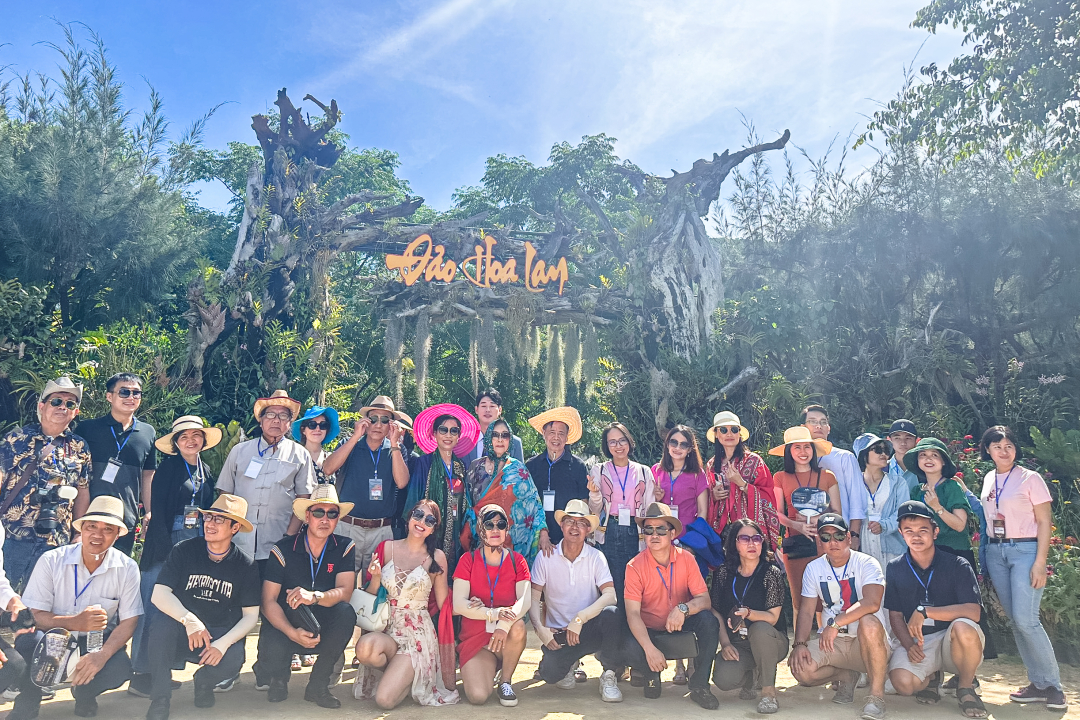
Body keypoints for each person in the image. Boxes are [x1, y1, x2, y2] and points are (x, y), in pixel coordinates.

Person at [9, 496, 142, 720]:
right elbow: (32, 616)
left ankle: (85, 693)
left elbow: (130, 620)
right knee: (27, 642)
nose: (98, 535)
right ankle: (29, 699)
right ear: (82, 529)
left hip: (93, 643)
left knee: (119, 667)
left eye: (107, 529)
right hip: (51, 637)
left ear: (117, 535)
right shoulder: (51, 560)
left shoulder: (127, 568)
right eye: (92, 527)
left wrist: (103, 654)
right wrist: (73, 622)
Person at [145, 494, 261, 720]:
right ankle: (160, 698)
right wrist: (189, 620)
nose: (209, 523)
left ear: (235, 527)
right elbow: (159, 594)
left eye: (219, 520)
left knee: (234, 657)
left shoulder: (245, 564)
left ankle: (204, 682)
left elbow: (250, 615)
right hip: (182, 629)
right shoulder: (184, 550)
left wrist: (223, 644)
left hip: (216, 632)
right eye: (208, 517)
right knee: (160, 628)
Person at [129, 416, 222, 698]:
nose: (191, 441)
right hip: (166, 545)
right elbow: (158, 513)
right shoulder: (168, 469)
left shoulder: (205, 470)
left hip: (195, 544)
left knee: (177, 609)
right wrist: (165, 552)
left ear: (203, 440)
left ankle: (163, 669)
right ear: (175, 443)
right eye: (184, 437)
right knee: (153, 605)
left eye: (196, 435)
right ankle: (141, 674)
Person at [978, 426, 1066, 711]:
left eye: (1009, 445)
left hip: (1025, 551)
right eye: (997, 446)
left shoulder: (1031, 478)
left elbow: (1044, 522)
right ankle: (1037, 683)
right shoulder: (990, 478)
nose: (1004, 451)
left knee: (1027, 619)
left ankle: (1053, 685)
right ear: (988, 450)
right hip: (996, 551)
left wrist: (1040, 562)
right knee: (1016, 620)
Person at [256, 484, 357, 707]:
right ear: (307, 516)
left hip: (323, 620)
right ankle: (278, 678)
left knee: (346, 612)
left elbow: (345, 592)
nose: (325, 519)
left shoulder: (344, 546)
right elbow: (268, 601)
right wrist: (291, 632)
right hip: (287, 621)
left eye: (332, 513)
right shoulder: (282, 549)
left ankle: (318, 686)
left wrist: (315, 596)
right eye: (319, 512)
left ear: (337, 519)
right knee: (271, 639)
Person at [885, 501, 987, 719]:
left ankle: (966, 687)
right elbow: (894, 615)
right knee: (903, 684)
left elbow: (973, 612)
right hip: (922, 641)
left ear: (935, 532)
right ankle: (932, 678)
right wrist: (908, 645)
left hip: (953, 639)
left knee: (964, 626)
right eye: (909, 531)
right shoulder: (895, 567)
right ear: (901, 534)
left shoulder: (957, 564)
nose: (916, 536)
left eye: (923, 530)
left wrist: (925, 611)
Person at [355, 499, 460, 708]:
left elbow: (443, 603)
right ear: (409, 518)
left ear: (433, 529)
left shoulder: (436, 558)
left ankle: (409, 673)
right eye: (418, 515)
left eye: (429, 520)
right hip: (385, 626)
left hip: (417, 635)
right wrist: (375, 578)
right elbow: (369, 595)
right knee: (364, 649)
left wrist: (477, 604)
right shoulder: (386, 548)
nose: (422, 522)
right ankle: (398, 672)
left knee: (384, 701)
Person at [788, 513, 889, 720]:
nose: (832, 542)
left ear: (849, 538)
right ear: (819, 541)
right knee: (802, 670)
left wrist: (835, 623)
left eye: (838, 536)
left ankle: (876, 697)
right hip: (832, 643)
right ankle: (846, 675)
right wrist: (799, 643)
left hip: (865, 642)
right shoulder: (813, 568)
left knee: (869, 622)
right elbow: (806, 611)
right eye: (825, 537)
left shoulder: (867, 563)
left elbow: (872, 602)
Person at [621, 502, 720, 709]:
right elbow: (632, 614)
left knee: (708, 621)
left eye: (661, 530)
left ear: (673, 533)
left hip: (679, 626)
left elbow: (704, 600)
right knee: (649, 689)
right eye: (648, 530)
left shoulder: (688, 559)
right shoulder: (634, 566)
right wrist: (649, 649)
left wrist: (683, 609)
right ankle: (650, 672)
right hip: (650, 633)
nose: (654, 535)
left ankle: (700, 685)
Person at [0, 376, 92, 590]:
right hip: (13, 535)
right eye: (56, 401)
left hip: (55, 539)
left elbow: (83, 490)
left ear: (75, 412)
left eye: (70, 404)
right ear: (42, 406)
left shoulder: (80, 447)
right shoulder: (16, 438)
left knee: (39, 604)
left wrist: (79, 532)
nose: (63, 407)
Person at [530, 499, 621, 702]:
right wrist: (540, 629)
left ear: (588, 529)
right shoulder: (545, 557)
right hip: (559, 635)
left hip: (587, 629)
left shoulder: (596, 557)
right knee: (550, 674)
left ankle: (609, 674)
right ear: (561, 525)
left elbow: (610, 595)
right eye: (570, 521)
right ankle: (570, 663)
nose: (575, 527)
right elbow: (534, 598)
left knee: (612, 615)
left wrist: (580, 618)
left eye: (581, 523)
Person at [216, 390, 315, 570]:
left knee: (269, 596)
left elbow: (303, 499)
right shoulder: (239, 451)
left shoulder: (300, 455)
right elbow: (225, 495)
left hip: (277, 543)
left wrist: (289, 537)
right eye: (270, 414)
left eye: (283, 415)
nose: (276, 420)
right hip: (237, 542)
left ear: (290, 423)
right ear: (260, 420)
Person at [322, 395, 411, 573]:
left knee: (376, 585)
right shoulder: (349, 444)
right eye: (373, 419)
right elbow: (328, 468)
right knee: (341, 580)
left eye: (385, 420)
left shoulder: (398, 450)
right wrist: (355, 437)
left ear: (391, 425)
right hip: (348, 527)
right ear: (365, 421)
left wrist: (394, 444)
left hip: (381, 530)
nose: (378, 424)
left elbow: (401, 482)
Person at [453, 504, 530, 707]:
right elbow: (459, 604)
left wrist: (503, 626)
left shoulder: (517, 561)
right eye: (489, 524)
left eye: (501, 524)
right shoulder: (467, 560)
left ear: (506, 529)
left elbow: (525, 601)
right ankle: (487, 670)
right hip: (477, 640)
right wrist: (493, 613)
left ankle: (505, 680)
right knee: (478, 696)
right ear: (480, 529)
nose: (495, 530)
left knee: (519, 627)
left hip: (505, 638)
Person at [710, 518, 789, 714]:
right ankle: (752, 675)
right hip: (739, 643)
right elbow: (715, 611)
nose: (752, 543)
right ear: (734, 543)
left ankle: (768, 692)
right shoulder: (723, 573)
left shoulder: (771, 573)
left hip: (771, 641)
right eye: (744, 538)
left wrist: (749, 613)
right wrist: (726, 643)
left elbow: (772, 618)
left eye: (756, 538)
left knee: (760, 628)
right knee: (723, 679)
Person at [78, 372, 157, 556]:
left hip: (125, 519)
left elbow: (148, 475)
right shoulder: (88, 429)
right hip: (90, 517)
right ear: (109, 396)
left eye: (136, 393)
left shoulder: (147, 432)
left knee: (116, 576)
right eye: (124, 392)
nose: (131, 397)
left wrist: (149, 511)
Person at [769, 426, 841, 630]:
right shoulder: (780, 477)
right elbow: (777, 514)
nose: (803, 452)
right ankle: (800, 647)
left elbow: (838, 513)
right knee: (799, 599)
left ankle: (824, 645)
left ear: (813, 449)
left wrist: (821, 518)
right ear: (789, 452)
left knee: (825, 598)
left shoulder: (828, 476)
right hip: (796, 544)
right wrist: (796, 525)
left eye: (807, 447)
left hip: (825, 544)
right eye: (797, 447)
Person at [403, 404, 481, 573]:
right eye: (443, 430)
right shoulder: (424, 463)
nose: (448, 435)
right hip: (428, 534)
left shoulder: (461, 466)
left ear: (459, 436)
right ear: (434, 433)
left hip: (456, 537)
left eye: (454, 431)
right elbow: (413, 502)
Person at [462, 420, 545, 565]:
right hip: (480, 540)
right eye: (495, 435)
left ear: (510, 440)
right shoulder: (475, 467)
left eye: (505, 435)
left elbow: (534, 504)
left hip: (512, 544)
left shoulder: (518, 469)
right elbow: (467, 503)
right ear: (488, 438)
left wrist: (543, 532)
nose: (500, 439)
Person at [588, 422, 654, 602]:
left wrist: (650, 536)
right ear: (607, 446)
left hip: (636, 530)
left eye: (622, 440)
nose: (618, 446)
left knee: (636, 581)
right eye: (612, 442)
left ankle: (633, 622)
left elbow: (649, 507)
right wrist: (594, 493)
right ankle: (614, 622)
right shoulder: (599, 470)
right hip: (609, 530)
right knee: (612, 581)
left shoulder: (644, 471)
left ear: (629, 441)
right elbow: (595, 509)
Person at [705, 412, 779, 551]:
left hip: (748, 529)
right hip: (722, 530)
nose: (729, 434)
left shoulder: (754, 461)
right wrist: (713, 496)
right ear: (716, 434)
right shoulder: (711, 465)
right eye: (723, 430)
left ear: (739, 434)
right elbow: (706, 497)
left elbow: (768, 495)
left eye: (734, 429)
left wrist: (742, 484)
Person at [525, 406, 594, 554]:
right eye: (552, 433)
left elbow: (584, 502)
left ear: (567, 437)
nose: (556, 438)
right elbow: (525, 503)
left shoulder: (578, 466)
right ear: (544, 434)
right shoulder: (531, 466)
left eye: (561, 433)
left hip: (569, 538)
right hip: (536, 537)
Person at [803, 405, 865, 549]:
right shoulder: (798, 461)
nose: (818, 426)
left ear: (828, 428)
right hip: (809, 538)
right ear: (803, 427)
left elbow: (857, 501)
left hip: (841, 535)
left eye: (823, 422)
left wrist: (854, 536)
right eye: (812, 421)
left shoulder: (844, 457)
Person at [905, 438, 973, 562]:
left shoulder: (952, 487)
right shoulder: (916, 491)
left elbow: (960, 525)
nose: (928, 459)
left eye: (934, 455)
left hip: (955, 554)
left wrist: (937, 507)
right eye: (923, 455)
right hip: (926, 555)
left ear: (943, 461)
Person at [852, 433, 908, 568]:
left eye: (886, 450)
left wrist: (884, 525)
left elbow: (903, 512)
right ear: (863, 454)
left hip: (892, 547)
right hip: (862, 545)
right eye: (877, 449)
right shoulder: (853, 483)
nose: (883, 454)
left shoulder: (898, 482)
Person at [651, 425, 708, 533]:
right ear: (667, 444)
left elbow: (702, 511)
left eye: (684, 445)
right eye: (674, 442)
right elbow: (648, 506)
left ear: (690, 449)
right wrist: (657, 499)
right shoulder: (656, 470)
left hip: (688, 533)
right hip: (662, 532)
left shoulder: (697, 473)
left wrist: (693, 539)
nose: (677, 448)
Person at [464, 389, 524, 464]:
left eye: (492, 406)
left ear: (500, 410)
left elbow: (520, 473)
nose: (488, 410)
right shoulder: (465, 442)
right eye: (483, 406)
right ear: (476, 409)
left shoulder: (515, 442)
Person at [292, 405, 341, 485]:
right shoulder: (295, 458)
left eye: (323, 425)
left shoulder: (332, 458)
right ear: (303, 430)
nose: (317, 429)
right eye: (312, 425)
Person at [886, 420, 919, 492]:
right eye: (897, 438)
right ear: (889, 440)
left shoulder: (923, 468)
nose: (903, 443)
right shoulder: (882, 468)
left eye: (908, 438)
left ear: (916, 441)